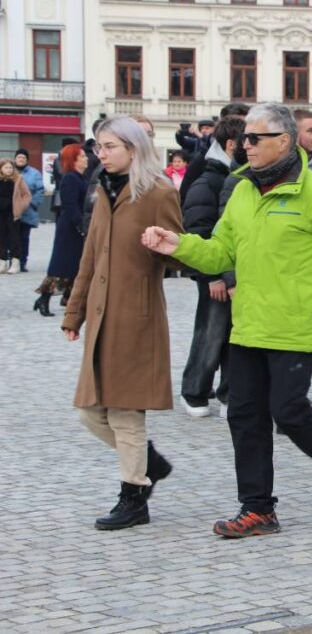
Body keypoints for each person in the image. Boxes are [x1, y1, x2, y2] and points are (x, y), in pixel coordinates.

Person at [141, 103, 312, 538]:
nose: (244, 145)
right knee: (244, 415)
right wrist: (179, 245)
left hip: (294, 325)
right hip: (247, 324)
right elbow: (221, 253)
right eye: (244, 138)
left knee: (288, 409)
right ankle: (258, 508)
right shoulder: (243, 190)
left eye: (254, 139)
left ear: (283, 141)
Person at [60, 117, 181, 530]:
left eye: (109, 146)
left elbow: (179, 252)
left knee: (126, 412)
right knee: (89, 412)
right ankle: (148, 464)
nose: (101, 153)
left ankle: (134, 498)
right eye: (98, 147)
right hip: (100, 315)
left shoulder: (159, 192)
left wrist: (164, 247)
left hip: (136, 316)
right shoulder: (103, 190)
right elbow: (89, 258)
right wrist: (74, 312)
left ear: (133, 148)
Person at [178, 117, 247, 416]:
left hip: (234, 273)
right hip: (214, 273)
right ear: (232, 144)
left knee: (235, 335)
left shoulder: (237, 177)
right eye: (248, 140)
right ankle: (194, 391)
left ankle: (228, 393)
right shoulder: (209, 179)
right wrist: (212, 276)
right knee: (211, 332)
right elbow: (198, 231)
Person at [33, 145, 89, 315]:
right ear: (74, 160)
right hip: (70, 228)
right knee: (62, 265)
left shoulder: (80, 178)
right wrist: (81, 225)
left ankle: (70, 300)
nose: (86, 158)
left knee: (76, 265)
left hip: (76, 226)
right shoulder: (70, 178)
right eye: (82, 156)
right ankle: (44, 298)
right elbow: (70, 205)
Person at [14, 148, 45, 272]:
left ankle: (22, 261)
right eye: (19, 157)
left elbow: (40, 190)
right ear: (15, 159)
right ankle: (11, 260)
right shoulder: (9, 171)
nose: (21, 160)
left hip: (28, 211)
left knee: (24, 237)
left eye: (23, 158)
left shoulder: (34, 173)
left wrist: (32, 204)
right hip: (11, 211)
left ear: (27, 160)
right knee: (11, 236)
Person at [0, 158, 31, 273]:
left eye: (10, 167)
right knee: (1, 237)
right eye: (6, 167)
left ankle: (15, 262)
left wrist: (21, 206)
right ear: (1, 169)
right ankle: (2, 261)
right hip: (1, 213)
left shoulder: (18, 179)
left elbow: (26, 195)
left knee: (14, 237)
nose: (9, 170)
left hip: (12, 213)